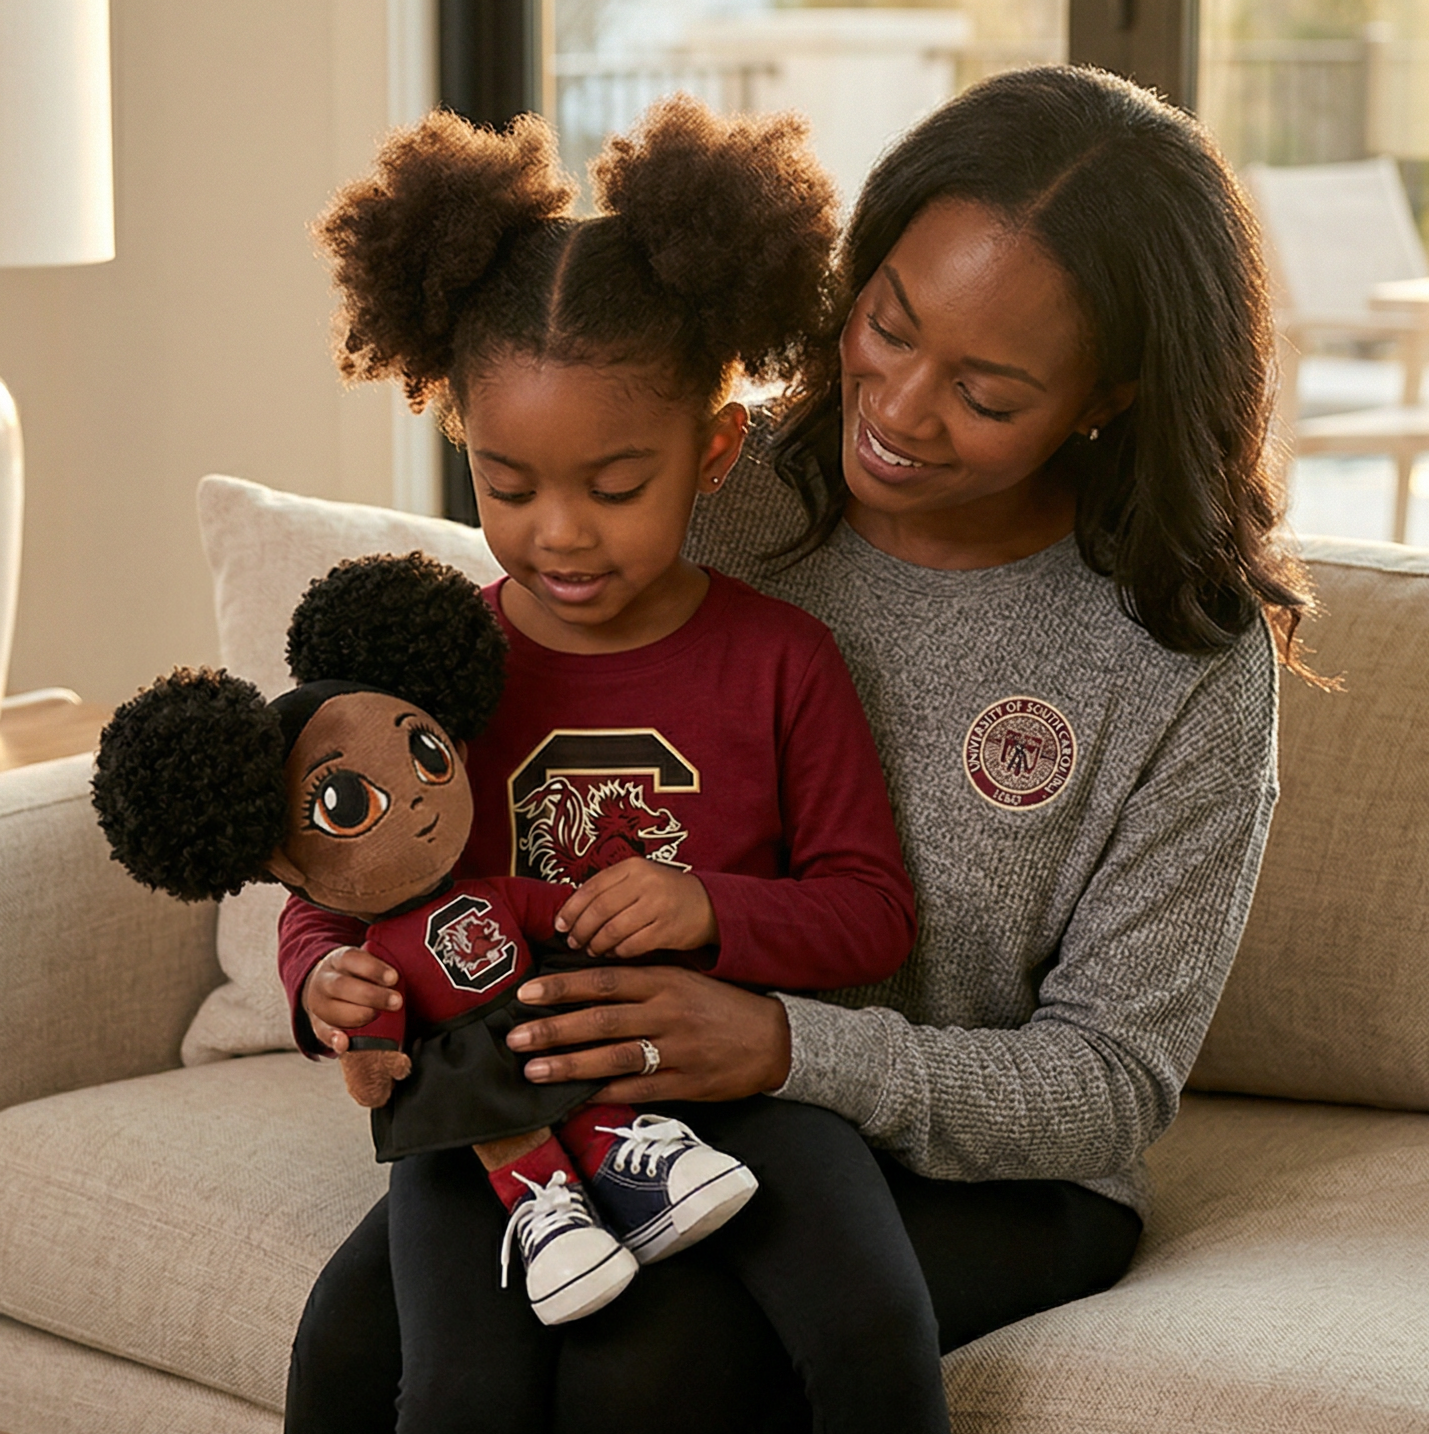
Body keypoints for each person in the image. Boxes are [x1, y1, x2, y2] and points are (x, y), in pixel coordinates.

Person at [290, 64, 1309, 1431]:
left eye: (988, 392)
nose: (895, 404)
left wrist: (781, 1047)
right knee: (353, 1340)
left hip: (979, 1170)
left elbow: (1112, 1082)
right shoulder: (707, 481)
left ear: (1107, 394)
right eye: (885, 324)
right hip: (632, 1094)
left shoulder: (1181, 650)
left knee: (637, 1372)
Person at [279, 97, 951, 1433]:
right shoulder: (434, 666)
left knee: (874, 1327)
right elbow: (328, 875)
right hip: (486, 1111)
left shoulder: (782, 661)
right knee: (386, 1365)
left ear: (710, 450)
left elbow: (873, 914)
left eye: (617, 483)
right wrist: (326, 986)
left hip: (725, 1083)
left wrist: (710, 905)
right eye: (510, 485)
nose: (560, 535)